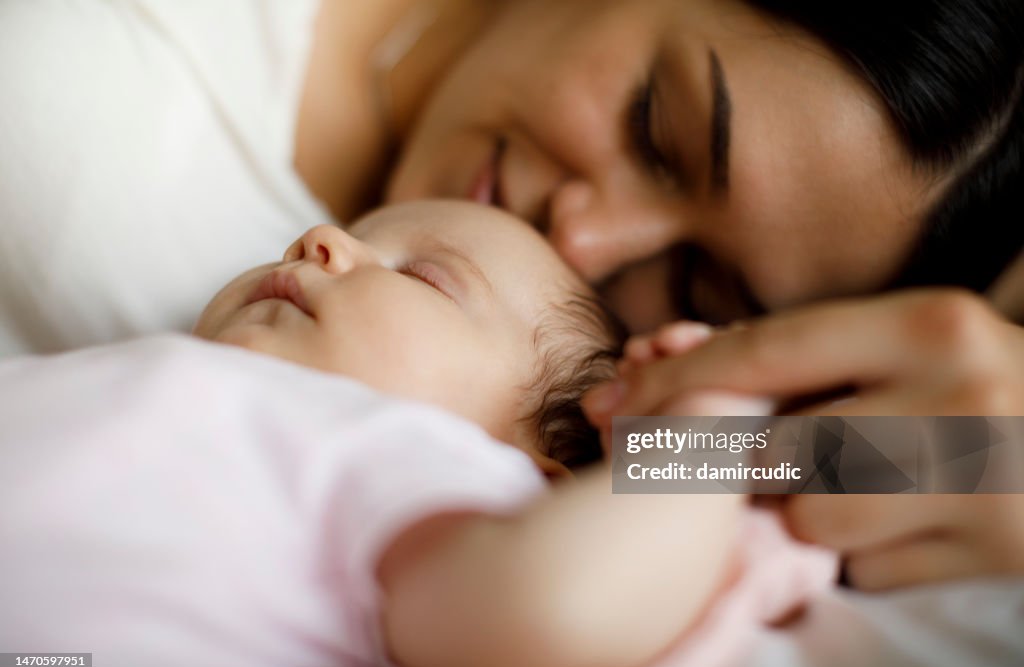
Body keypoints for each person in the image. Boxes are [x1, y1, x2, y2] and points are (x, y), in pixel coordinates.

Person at [0, 0, 1021, 588]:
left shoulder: (550, 422)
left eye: (696, 281)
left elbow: (688, 467)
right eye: (653, 129)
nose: (582, 235)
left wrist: (978, 454)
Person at [0, 200, 832, 667]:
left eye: (422, 276)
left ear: (520, 474)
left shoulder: (408, 462)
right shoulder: (131, 374)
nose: (322, 241)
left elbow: (551, 605)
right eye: (359, 234)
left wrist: (712, 423)